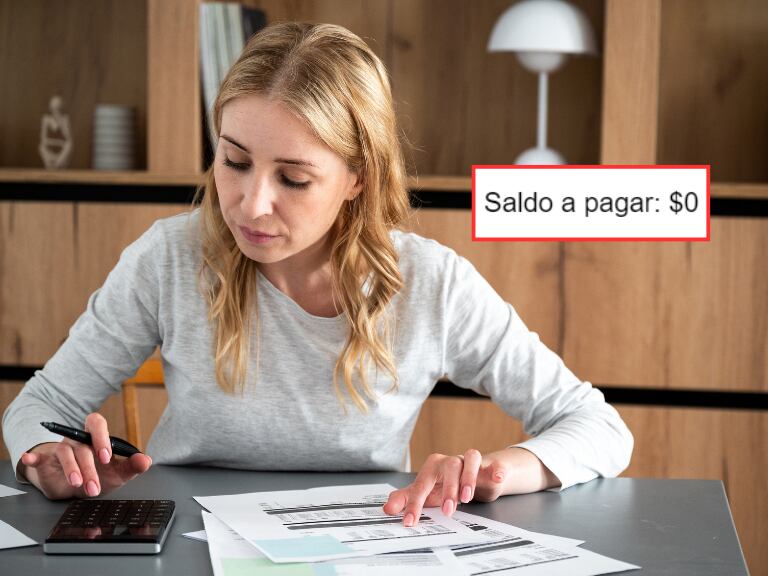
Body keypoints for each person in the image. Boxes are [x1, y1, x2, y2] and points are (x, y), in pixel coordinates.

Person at [2, 22, 632, 526]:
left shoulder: (431, 283)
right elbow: (40, 406)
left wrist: (496, 472)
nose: (251, 204)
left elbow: (599, 428)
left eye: (294, 179)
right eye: (234, 161)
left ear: (358, 178)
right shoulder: (169, 258)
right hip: (190, 542)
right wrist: (43, 461)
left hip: (367, 547)